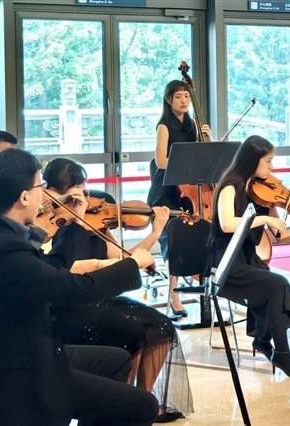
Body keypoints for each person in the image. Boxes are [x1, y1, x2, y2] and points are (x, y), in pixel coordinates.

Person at [0, 148, 158, 425]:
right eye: (40, 185)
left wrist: (74, 222)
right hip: (16, 377)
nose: (45, 194)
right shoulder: (1, 250)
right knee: (143, 406)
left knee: (117, 360)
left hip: (25, 354)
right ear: (25, 197)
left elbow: (54, 268)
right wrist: (132, 264)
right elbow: (76, 289)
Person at [43, 158, 193, 421]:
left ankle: (142, 401)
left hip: (100, 297)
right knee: (134, 331)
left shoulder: (92, 221)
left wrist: (157, 230)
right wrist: (75, 221)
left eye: (83, 185)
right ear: (51, 191)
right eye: (74, 187)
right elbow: (66, 271)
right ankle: (127, 402)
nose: (83, 194)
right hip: (70, 307)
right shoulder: (51, 225)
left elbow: (127, 257)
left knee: (161, 326)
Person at [211, 135, 290, 377]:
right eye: (268, 162)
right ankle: (281, 353)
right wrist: (264, 218)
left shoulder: (260, 191)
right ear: (252, 160)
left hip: (248, 260)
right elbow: (226, 224)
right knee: (277, 285)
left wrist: (279, 220)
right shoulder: (229, 187)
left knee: (281, 288)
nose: (272, 167)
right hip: (226, 264)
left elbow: (275, 234)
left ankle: (264, 341)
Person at [146, 80, 212, 317]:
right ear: (168, 100)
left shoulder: (193, 124)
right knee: (173, 243)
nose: (184, 101)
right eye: (178, 97)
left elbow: (203, 156)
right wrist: (184, 164)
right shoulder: (164, 126)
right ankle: (173, 295)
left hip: (188, 192)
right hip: (166, 191)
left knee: (196, 237)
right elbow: (161, 161)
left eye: (186, 96)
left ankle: (205, 287)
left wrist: (208, 137)